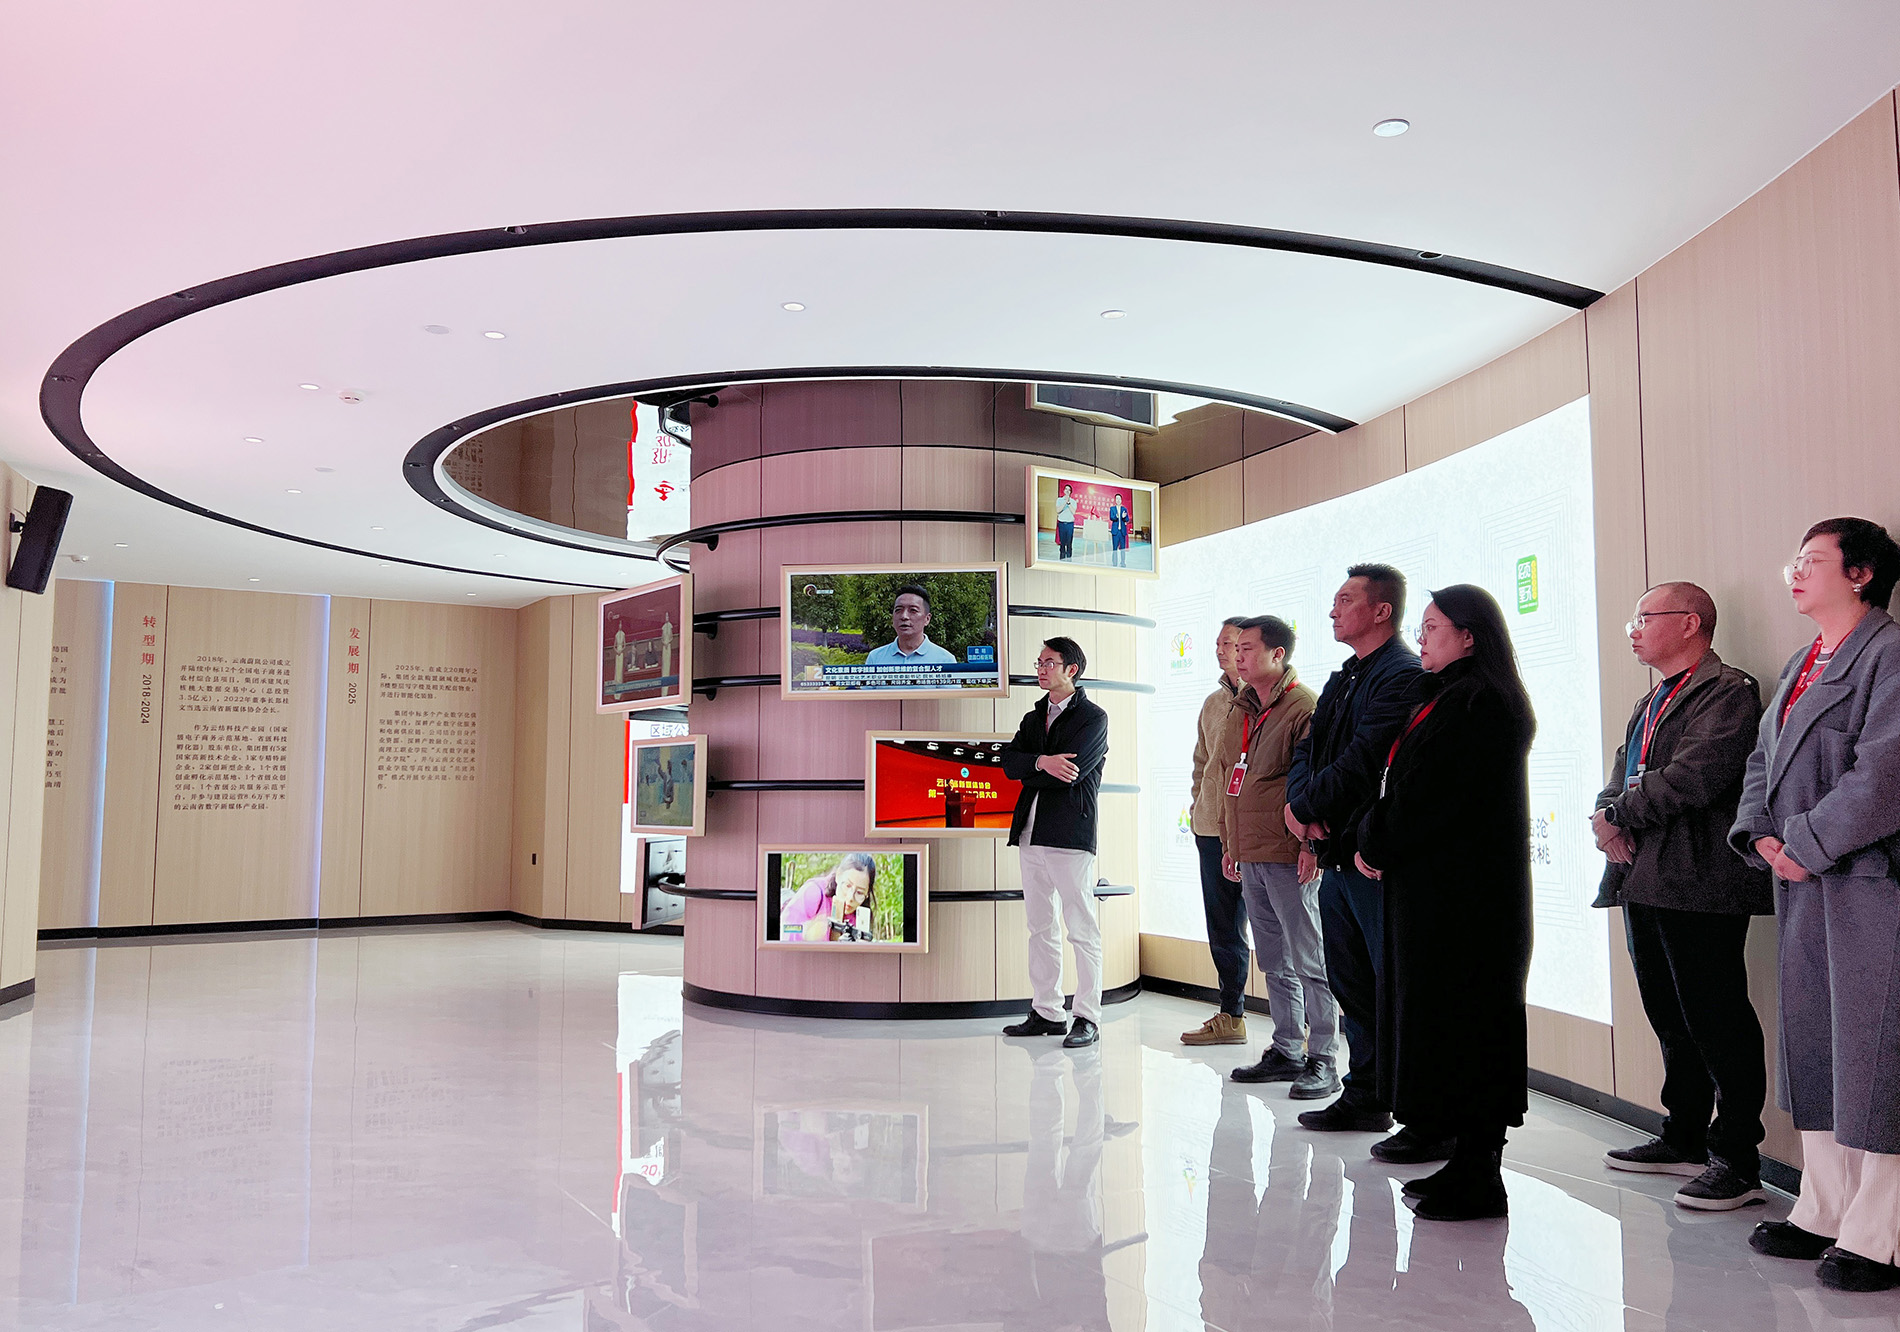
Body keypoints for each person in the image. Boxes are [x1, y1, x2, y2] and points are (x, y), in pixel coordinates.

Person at [1731, 517, 1900, 1293]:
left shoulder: (1888, 653)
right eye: (1792, 560)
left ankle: (1878, 1233)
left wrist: (1805, 842)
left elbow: (1884, 774)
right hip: (1804, 883)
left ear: (1860, 574)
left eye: (1811, 560)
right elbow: (1761, 761)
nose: (1793, 573)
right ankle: (1824, 1209)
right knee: (1820, 1050)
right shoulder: (1803, 660)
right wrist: (1761, 836)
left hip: (1869, 885)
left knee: (1875, 1054)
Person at [1351, 585, 1535, 1221]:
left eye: (1432, 628)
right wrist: (1376, 835)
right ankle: (1463, 1161)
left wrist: (1375, 836)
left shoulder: (1481, 703)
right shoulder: (1448, 695)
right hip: (1436, 894)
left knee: (1472, 1027)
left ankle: (1482, 1174)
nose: (1421, 638)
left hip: (1469, 903)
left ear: (1469, 636)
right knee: (1443, 1026)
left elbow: (1431, 798)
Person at [1590, 582, 1773, 1210]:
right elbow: (1622, 773)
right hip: (1644, 876)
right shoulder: (1653, 698)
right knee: (1668, 1014)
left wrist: (1618, 815)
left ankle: (1737, 1160)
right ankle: (1684, 1136)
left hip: (1701, 881)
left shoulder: (1729, 691)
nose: (1634, 629)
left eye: (1645, 617)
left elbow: (1694, 778)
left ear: (1690, 623)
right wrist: (1606, 814)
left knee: (1716, 1016)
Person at [1283, 564, 1427, 1152]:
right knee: (1351, 982)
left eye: (1345, 600)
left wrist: (1307, 806)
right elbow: (1308, 748)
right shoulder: (1345, 675)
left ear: (1381, 611)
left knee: (1390, 985)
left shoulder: (1402, 674)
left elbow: (1367, 761)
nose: (1333, 610)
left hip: (1373, 858)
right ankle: (1365, 1093)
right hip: (1336, 853)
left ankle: (1409, 1103)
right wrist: (1299, 808)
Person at [1215, 617, 1336, 1098]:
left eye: (1247, 648)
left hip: (1289, 852)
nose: (1238, 656)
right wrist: (1230, 843)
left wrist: (1311, 846)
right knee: (1272, 960)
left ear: (1277, 654)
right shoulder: (1241, 708)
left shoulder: (1303, 706)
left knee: (1308, 958)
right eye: (1237, 648)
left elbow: (1314, 781)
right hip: (1251, 851)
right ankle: (1287, 1049)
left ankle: (1323, 1057)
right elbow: (1230, 778)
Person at [1000, 637, 1110, 1048]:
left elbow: (1071, 774)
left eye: (1049, 662)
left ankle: (1088, 1016)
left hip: (1069, 834)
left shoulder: (1093, 717)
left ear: (1071, 669)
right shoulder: (1034, 717)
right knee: (1039, 927)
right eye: (1039, 662)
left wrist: (1033, 768)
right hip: (1030, 833)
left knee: (1081, 928)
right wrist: (1041, 761)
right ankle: (1047, 1011)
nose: (1041, 669)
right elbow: (1008, 763)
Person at [1181, 618, 1249, 1048]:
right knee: (1223, 927)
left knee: (1281, 931)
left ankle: (1299, 1028)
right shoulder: (1212, 702)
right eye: (1218, 643)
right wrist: (1198, 808)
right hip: (1210, 831)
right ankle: (1232, 1015)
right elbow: (1201, 763)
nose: (1221, 649)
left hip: (1257, 834)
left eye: (1230, 643)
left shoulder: (1272, 700)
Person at [780, 853, 876, 943]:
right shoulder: (814, 892)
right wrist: (805, 931)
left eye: (859, 892)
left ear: (867, 893)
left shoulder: (860, 917)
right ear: (838, 875)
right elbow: (785, 928)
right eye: (847, 886)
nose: (850, 898)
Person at [864, 585, 957, 666]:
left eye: (913, 610)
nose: (904, 616)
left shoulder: (945, 660)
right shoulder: (875, 658)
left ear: (927, 619)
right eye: (898, 610)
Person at [1055, 484, 1078, 560]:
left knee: (1069, 542)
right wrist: (1065, 502)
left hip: (1070, 524)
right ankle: (1062, 556)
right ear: (1064, 491)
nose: (1067, 491)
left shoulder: (1073, 501)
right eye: (1066, 489)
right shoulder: (1059, 500)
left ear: (1071, 492)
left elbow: (1073, 512)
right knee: (1062, 542)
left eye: (1069, 490)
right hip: (1061, 523)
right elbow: (1058, 510)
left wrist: (1069, 503)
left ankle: (1069, 556)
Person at [1108, 495, 1131, 568]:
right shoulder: (1112, 509)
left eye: (1119, 499)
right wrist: (1116, 517)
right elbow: (1111, 517)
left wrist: (1124, 517)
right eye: (1117, 499)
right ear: (1115, 500)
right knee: (1115, 548)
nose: (1118, 500)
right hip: (1115, 532)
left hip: (1122, 532)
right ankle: (1114, 563)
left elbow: (1127, 519)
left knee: (1123, 549)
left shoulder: (1124, 509)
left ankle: (1123, 562)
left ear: (1121, 500)